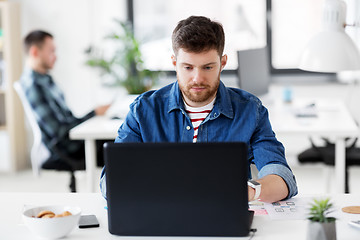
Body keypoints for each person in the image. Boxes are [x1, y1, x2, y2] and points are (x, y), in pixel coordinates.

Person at [100, 16, 298, 203]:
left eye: (208, 67)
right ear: (174, 63)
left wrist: (250, 191)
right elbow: (111, 181)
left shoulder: (250, 111)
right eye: (188, 68)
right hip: (159, 215)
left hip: (224, 218)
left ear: (223, 63)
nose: (197, 78)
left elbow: (281, 176)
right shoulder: (143, 110)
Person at [20, 30, 111, 171]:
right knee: (124, 145)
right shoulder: (34, 85)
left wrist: (94, 113)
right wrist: (94, 113)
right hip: (70, 148)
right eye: (51, 51)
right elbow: (61, 132)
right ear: (35, 52)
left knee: (125, 138)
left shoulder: (45, 79)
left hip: (73, 140)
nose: (55, 57)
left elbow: (67, 121)